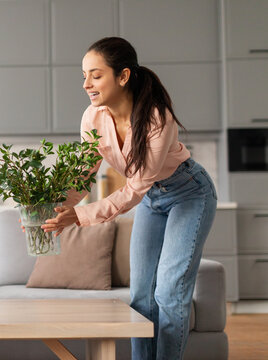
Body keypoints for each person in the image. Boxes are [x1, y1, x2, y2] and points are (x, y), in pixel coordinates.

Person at [40, 37, 218, 359]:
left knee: (169, 292)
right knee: (140, 295)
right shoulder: (92, 118)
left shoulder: (155, 118)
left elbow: (136, 186)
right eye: (83, 76)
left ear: (122, 76)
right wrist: (55, 210)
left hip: (188, 194)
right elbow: (83, 174)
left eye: (95, 75)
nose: (86, 84)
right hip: (152, 200)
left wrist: (79, 217)